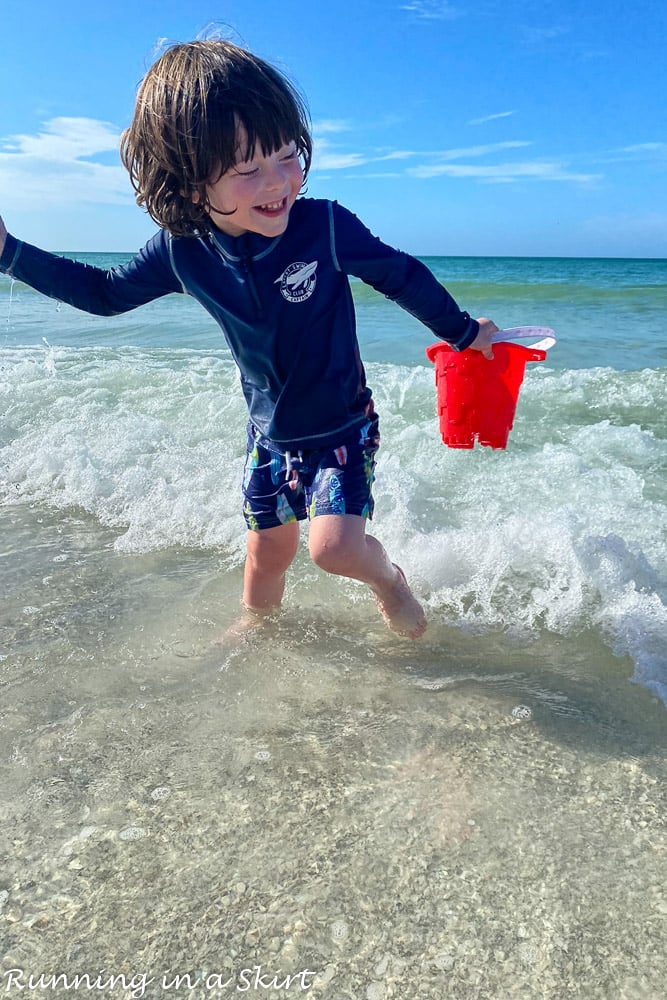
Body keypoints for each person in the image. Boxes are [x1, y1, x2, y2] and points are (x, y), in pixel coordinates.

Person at [0, 39, 498, 640]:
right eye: (248, 170)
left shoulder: (326, 227)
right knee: (266, 553)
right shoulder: (182, 252)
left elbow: (400, 274)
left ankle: (388, 577)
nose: (278, 182)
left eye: (287, 156)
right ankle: (258, 628)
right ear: (188, 184)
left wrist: (464, 332)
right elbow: (106, 294)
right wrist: (9, 252)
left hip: (341, 424)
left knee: (333, 549)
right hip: (270, 432)